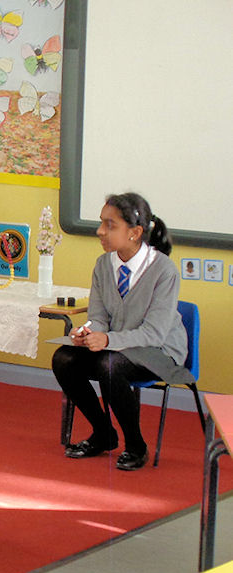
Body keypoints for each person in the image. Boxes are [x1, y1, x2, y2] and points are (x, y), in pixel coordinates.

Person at [52, 192, 194, 471]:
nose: (99, 231)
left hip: (160, 352)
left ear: (135, 232)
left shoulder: (164, 270)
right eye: (101, 222)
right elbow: (99, 317)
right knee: (64, 359)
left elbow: (153, 334)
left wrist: (106, 339)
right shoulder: (103, 265)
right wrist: (88, 333)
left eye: (110, 225)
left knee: (109, 365)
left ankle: (136, 445)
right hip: (119, 347)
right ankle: (103, 433)